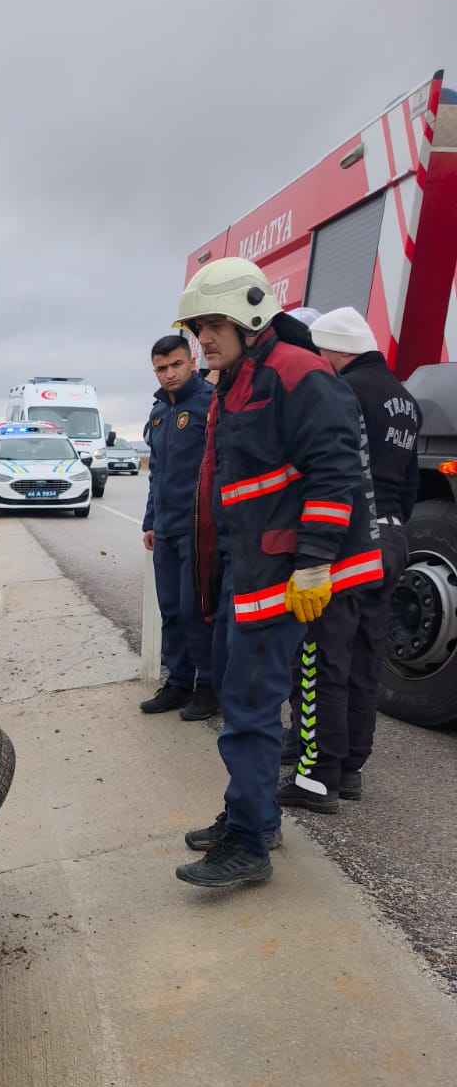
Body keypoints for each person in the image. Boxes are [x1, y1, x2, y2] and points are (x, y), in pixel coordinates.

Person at [172, 259, 381, 890]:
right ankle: (253, 816)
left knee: (250, 707)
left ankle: (248, 841)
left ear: (250, 316)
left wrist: (314, 562)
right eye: (197, 327)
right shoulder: (239, 380)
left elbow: (335, 472)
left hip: (284, 575)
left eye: (213, 325)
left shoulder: (295, 372)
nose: (203, 339)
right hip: (253, 568)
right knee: (242, 698)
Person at [276, 306, 420, 811]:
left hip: (350, 537)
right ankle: (351, 766)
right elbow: (411, 483)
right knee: (365, 656)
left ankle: (317, 776)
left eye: (320, 352)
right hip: (393, 538)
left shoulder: (341, 390)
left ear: (336, 351)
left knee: (320, 657)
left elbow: (330, 468)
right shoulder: (405, 399)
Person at [140, 333, 218, 720]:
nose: (169, 374)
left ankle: (209, 687)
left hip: (200, 528)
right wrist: (150, 521)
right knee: (170, 608)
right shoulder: (158, 411)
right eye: (161, 368)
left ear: (192, 362)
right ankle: (179, 682)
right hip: (166, 528)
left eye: (176, 365)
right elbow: (157, 472)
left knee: (196, 608)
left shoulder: (210, 403)